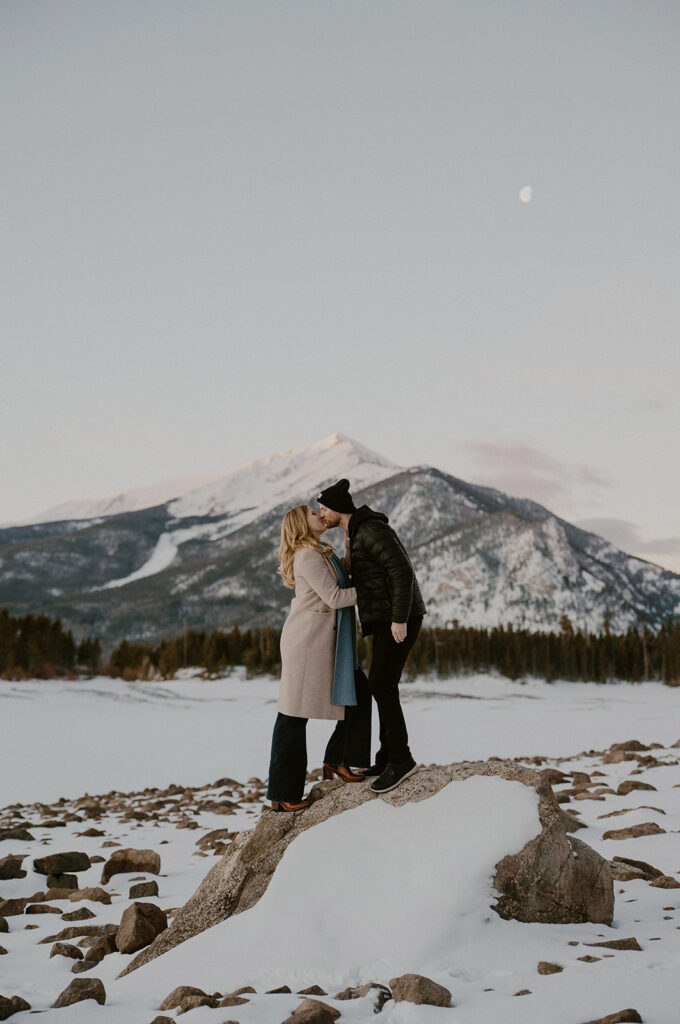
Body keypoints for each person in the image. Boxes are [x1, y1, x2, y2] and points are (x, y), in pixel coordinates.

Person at [317, 479, 427, 793]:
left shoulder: (371, 530)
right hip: (385, 620)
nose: (321, 515)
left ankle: (401, 759)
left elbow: (402, 572)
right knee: (383, 684)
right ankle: (387, 756)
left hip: (399, 619)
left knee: (380, 683)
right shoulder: (356, 533)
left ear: (338, 508)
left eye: (324, 509)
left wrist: (399, 618)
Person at [266, 504, 370, 812]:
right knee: (292, 717)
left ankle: (338, 759)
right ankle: (283, 793)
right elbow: (336, 597)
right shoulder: (307, 556)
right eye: (314, 513)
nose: (320, 515)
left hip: (324, 643)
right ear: (302, 524)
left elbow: (345, 573)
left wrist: (348, 535)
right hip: (307, 644)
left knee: (359, 692)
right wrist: (375, 590)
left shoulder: (322, 552)